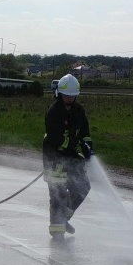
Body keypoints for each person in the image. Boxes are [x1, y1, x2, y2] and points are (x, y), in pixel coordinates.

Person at [42, 73, 93, 239]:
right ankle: (57, 233)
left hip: (71, 156)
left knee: (82, 188)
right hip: (54, 157)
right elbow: (56, 138)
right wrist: (73, 144)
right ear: (59, 93)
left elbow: (84, 131)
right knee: (58, 195)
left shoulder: (79, 110)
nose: (70, 99)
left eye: (73, 96)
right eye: (67, 95)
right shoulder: (53, 112)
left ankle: (63, 218)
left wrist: (87, 146)